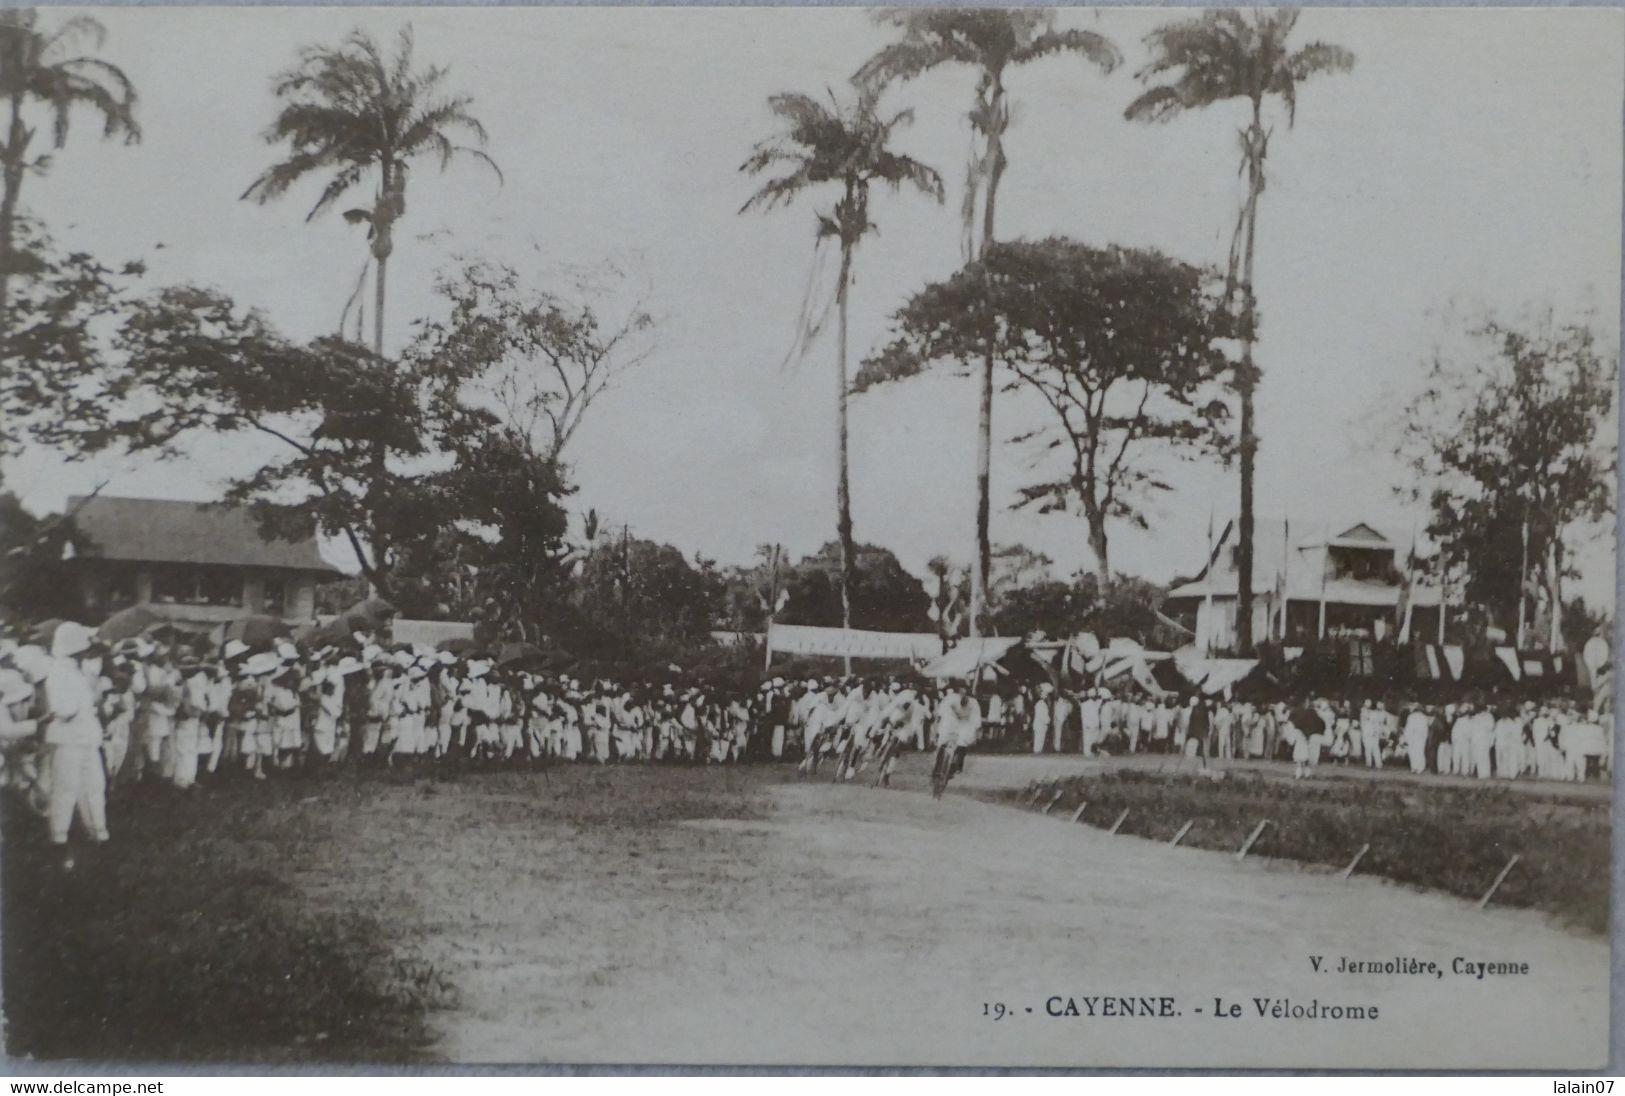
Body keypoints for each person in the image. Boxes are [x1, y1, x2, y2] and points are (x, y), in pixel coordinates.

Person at [24, 626, 111, 868]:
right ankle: (59, 840)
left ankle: (99, 833)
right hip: (68, 740)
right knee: (66, 789)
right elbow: (66, 710)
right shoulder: (60, 673)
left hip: (84, 738)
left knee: (94, 786)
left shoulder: (74, 672)